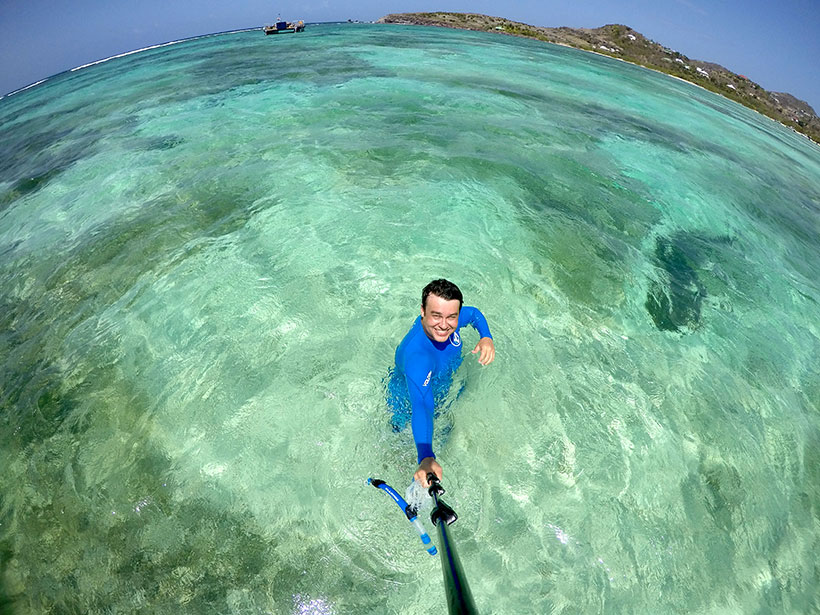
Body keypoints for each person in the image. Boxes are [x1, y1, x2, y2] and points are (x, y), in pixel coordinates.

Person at [391, 279, 495, 488]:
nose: (444, 324)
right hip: (408, 405)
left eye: (451, 317)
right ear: (423, 311)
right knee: (400, 449)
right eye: (436, 316)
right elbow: (421, 405)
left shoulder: (451, 318)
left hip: (441, 387)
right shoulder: (417, 358)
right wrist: (426, 455)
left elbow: (474, 314)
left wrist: (486, 337)